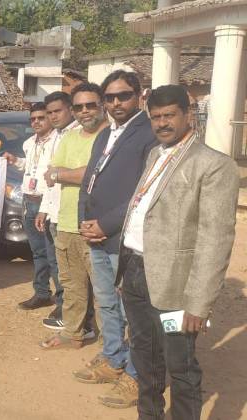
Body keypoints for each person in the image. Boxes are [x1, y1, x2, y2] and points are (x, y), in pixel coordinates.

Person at [119, 85, 239, 418]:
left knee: (180, 365)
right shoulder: (156, 154)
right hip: (136, 274)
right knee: (145, 358)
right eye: (156, 117)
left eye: (170, 115)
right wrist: (125, 271)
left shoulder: (213, 165)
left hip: (176, 289)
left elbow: (215, 239)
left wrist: (199, 302)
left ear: (188, 115)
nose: (162, 123)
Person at [74, 70, 157, 406]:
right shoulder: (105, 134)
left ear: (139, 95)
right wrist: (83, 222)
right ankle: (113, 357)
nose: (116, 102)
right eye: (109, 97)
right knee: (107, 303)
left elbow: (144, 191)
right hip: (95, 234)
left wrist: (106, 225)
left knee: (133, 311)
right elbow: (89, 182)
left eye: (123, 95)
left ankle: (137, 375)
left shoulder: (149, 134)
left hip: (124, 237)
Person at [39, 83, 107, 350]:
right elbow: (50, 172)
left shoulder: (111, 138)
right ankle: (73, 334)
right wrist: (70, 173)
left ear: (102, 105)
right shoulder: (69, 138)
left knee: (105, 290)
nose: (85, 111)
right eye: (79, 107)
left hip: (97, 226)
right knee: (71, 285)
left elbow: (96, 174)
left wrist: (63, 174)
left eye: (90, 105)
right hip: (66, 222)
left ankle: (111, 347)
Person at [4, 102, 59, 312]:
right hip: (29, 201)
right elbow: (30, 166)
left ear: (50, 118)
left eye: (41, 118)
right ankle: (42, 293)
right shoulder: (29, 143)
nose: (36, 122)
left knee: (54, 255)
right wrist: (15, 160)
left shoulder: (58, 141)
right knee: (38, 252)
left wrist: (45, 207)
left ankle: (63, 301)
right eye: (33, 119)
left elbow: (54, 178)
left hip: (48, 202)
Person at [36, 91, 81, 324]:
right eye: (50, 112)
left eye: (58, 111)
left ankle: (73, 316)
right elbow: (49, 178)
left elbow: (63, 174)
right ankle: (64, 308)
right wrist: (44, 208)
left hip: (70, 215)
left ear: (70, 110)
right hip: (53, 213)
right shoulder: (57, 136)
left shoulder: (79, 135)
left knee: (72, 271)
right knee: (57, 265)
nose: (53, 116)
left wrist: (57, 175)